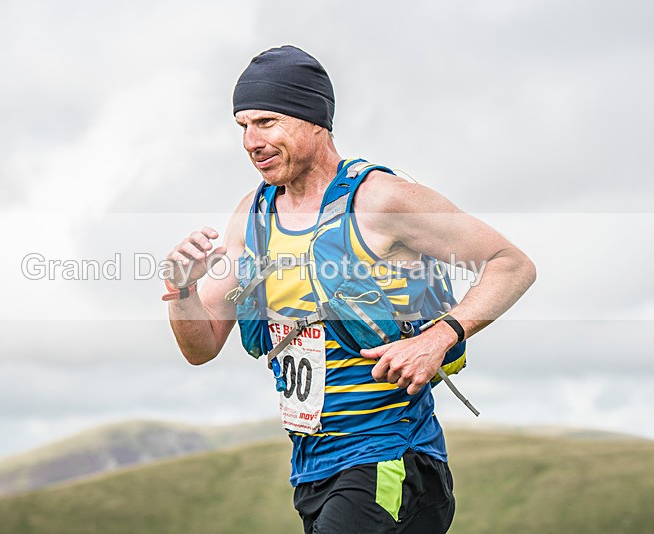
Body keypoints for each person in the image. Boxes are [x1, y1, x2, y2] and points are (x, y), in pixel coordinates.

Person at [164, 45, 536, 533]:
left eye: (267, 122)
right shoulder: (252, 214)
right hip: (314, 468)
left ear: (314, 119)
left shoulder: (381, 200)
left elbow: (511, 265)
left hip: (392, 460)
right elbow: (202, 345)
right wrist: (181, 290)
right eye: (243, 127)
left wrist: (437, 337)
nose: (251, 141)